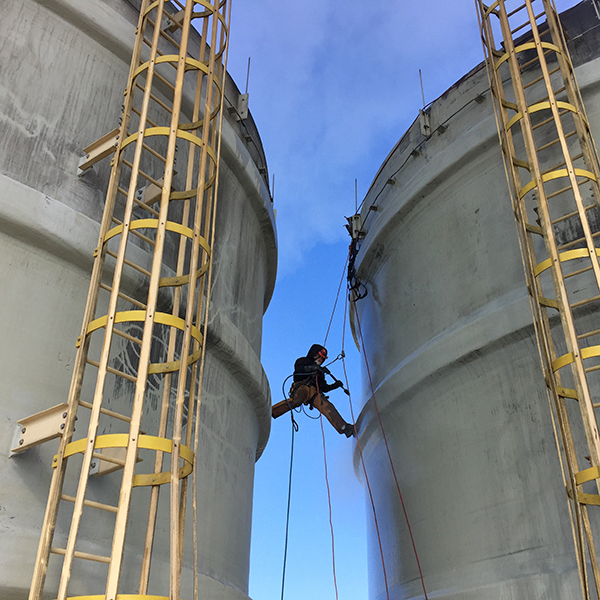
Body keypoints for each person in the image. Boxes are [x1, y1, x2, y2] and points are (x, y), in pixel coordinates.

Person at [272, 344, 355, 437]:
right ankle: (272, 411)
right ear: (314, 354)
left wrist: (335, 385)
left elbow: (323, 387)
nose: (321, 360)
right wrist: (315, 368)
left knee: (326, 406)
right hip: (301, 387)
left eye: (323, 359)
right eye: (320, 357)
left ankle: (344, 427)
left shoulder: (320, 373)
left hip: (313, 391)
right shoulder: (302, 361)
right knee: (297, 400)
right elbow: (300, 369)